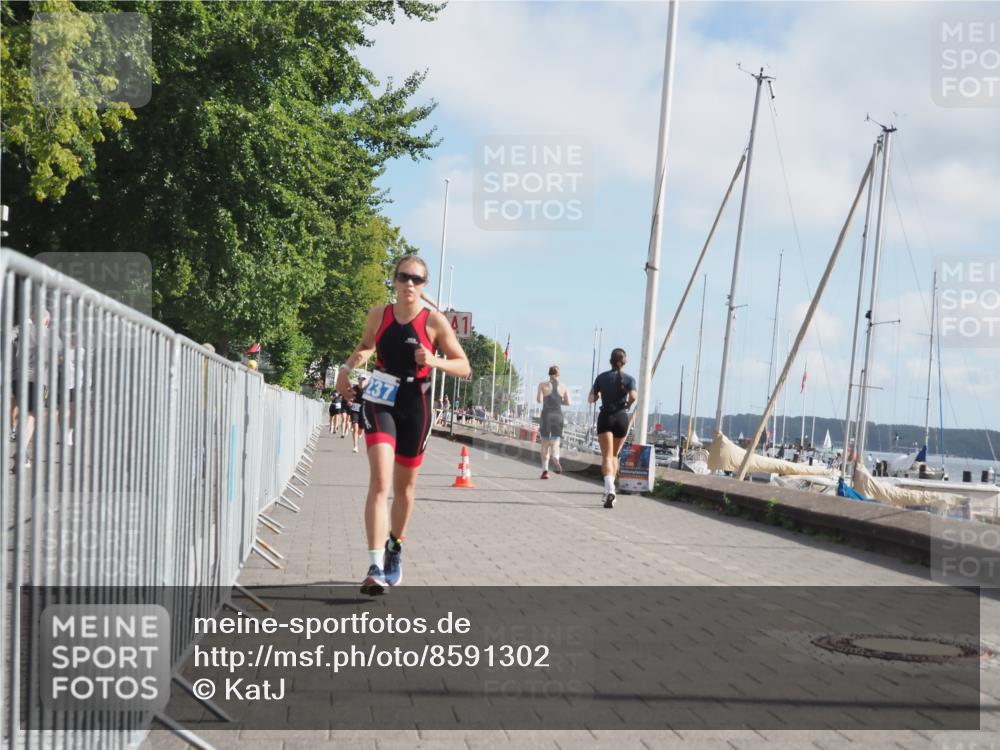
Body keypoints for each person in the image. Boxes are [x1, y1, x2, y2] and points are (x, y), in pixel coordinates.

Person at [337, 255, 470, 596]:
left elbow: (464, 366)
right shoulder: (378, 315)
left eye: (417, 279)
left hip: (416, 402)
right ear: (394, 280)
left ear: (424, 286)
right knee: (380, 481)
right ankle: (374, 564)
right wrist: (345, 368)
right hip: (381, 395)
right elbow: (366, 347)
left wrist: (435, 360)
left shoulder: (434, 321)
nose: (409, 283)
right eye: (403, 277)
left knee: (405, 489)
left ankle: (395, 545)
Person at [588, 348, 637, 508]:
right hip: (622, 418)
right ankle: (611, 491)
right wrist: (628, 404)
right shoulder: (629, 379)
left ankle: (610, 488)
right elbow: (634, 396)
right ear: (624, 362)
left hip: (606, 418)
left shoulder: (601, 377)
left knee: (607, 457)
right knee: (615, 455)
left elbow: (591, 398)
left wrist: (599, 395)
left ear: (610, 360)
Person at [536, 365, 570, 479]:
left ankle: (545, 471)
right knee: (555, 443)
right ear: (558, 374)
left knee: (545, 444)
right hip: (558, 415)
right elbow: (568, 402)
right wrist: (559, 402)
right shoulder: (563, 386)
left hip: (546, 415)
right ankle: (555, 457)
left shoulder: (542, 385)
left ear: (549, 373)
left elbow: (539, 400)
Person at [349, 377, 366, 453]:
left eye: (363, 379)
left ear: (365, 380)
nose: (361, 380)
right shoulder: (354, 388)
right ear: (358, 380)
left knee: (361, 428)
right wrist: (349, 400)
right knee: (355, 428)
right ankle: (355, 446)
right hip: (355, 409)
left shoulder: (367, 388)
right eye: (360, 379)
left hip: (364, 410)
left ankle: (360, 432)